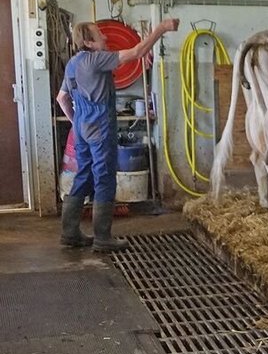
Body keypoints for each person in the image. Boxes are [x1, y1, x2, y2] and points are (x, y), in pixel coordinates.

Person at [56, 17, 180, 251]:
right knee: (104, 177)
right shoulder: (97, 59)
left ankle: (69, 233)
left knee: (83, 175)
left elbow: (62, 98)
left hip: (82, 126)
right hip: (100, 124)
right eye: (99, 34)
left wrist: (77, 122)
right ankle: (103, 237)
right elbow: (137, 51)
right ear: (89, 43)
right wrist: (161, 29)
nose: (104, 37)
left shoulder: (73, 63)